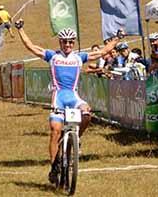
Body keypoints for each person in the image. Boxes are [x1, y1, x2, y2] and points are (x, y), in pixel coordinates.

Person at [14, 20, 122, 184]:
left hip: (73, 97)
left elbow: (102, 52)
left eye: (71, 42)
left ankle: (76, 138)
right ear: (60, 42)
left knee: (87, 112)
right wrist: (20, 29)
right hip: (58, 98)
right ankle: (54, 167)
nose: (68, 44)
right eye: (65, 42)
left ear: (74, 43)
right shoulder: (53, 56)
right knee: (55, 131)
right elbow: (31, 47)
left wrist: (117, 38)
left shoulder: (79, 57)